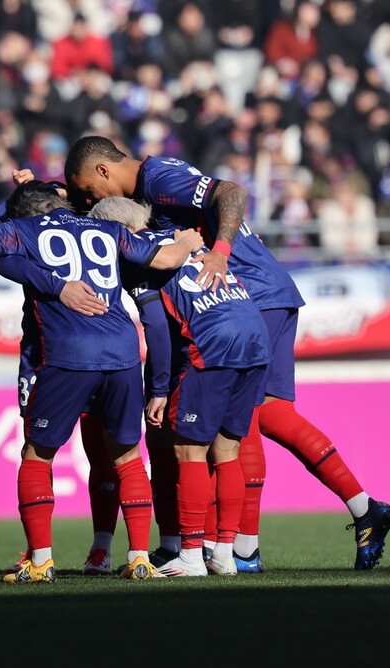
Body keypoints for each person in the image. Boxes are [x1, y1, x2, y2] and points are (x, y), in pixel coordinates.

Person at [64, 136, 390, 572]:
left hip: (245, 295)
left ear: (103, 170)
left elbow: (233, 192)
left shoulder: (157, 177)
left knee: (238, 427)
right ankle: (361, 509)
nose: (90, 201)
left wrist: (220, 254)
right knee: (270, 414)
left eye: (87, 191)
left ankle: (239, 549)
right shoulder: (151, 184)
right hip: (257, 296)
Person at [0, 181, 204, 583]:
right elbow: (167, 258)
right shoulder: (108, 228)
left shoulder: (24, 229)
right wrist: (185, 242)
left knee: (37, 455)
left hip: (68, 353)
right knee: (128, 457)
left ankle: (40, 561)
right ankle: (139, 558)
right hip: (122, 353)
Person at [91, 196, 270, 577]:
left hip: (213, 343)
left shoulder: (139, 258)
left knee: (188, 451)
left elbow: (156, 326)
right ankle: (223, 553)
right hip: (255, 336)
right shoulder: (182, 238)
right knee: (227, 451)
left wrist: (158, 390)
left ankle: (190, 555)